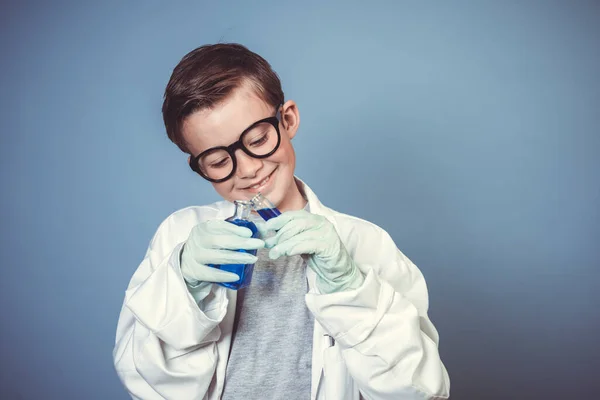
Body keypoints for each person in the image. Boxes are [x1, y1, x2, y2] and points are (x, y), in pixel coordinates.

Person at [113, 43, 450, 400]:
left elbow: (420, 391)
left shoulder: (365, 243)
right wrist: (183, 288)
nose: (247, 170)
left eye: (257, 139)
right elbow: (144, 382)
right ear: (198, 166)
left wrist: (350, 288)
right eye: (216, 160)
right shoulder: (180, 236)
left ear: (287, 120)